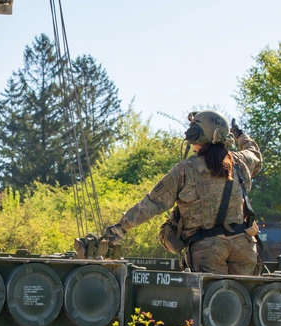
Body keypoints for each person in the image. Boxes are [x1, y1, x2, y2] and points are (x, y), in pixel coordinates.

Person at [102, 111, 263, 275]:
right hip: (244, 248)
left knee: (213, 298)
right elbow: (254, 154)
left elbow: (151, 204)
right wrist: (241, 135)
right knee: (242, 298)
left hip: (208, 250)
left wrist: (119, 229)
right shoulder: (240, 162)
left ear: (196, 135)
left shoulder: (186, 170)